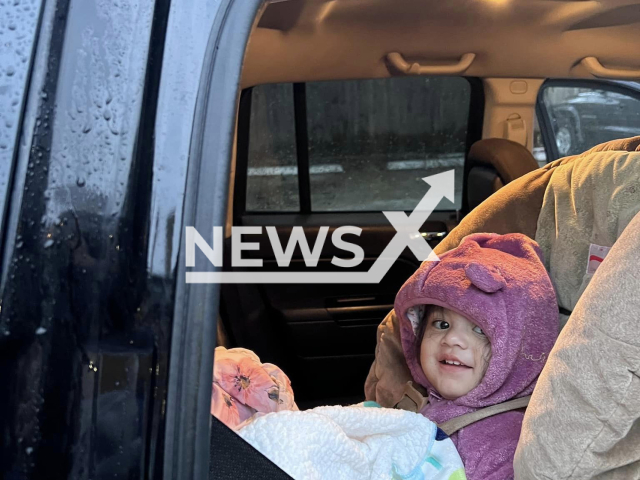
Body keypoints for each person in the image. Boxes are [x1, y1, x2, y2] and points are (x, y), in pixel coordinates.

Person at [395, 233, 558, 480]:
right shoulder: (423, 401)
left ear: (519, 351)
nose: (451, 339)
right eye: (441, 324)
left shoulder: (501, 440)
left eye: (481, 330)